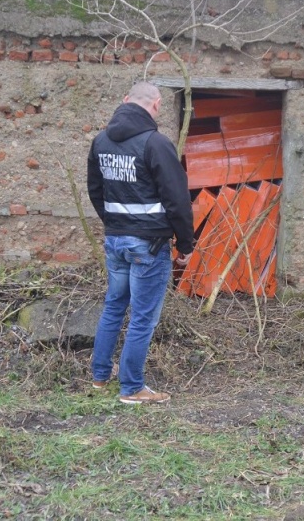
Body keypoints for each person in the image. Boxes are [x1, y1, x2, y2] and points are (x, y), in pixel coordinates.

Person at [87, 81, 194, 404]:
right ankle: (132, 387)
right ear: (157, 105)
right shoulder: (156, 144)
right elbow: (178, 200)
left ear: (125, 100)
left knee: (114, 306)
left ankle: (100, 375)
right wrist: (186, 245)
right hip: (148, 246)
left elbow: (95, 191)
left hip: (116, 241)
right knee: (143, 316)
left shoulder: (100, 142)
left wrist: (115, 224)